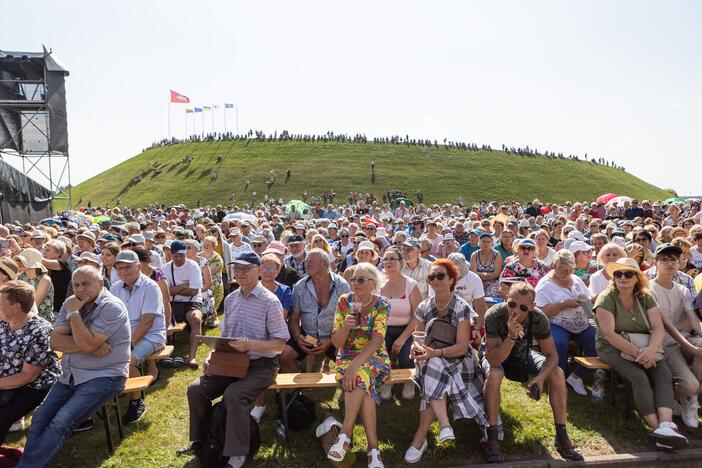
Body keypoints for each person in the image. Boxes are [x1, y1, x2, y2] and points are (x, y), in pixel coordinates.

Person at [183, 252, 289, 468]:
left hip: (262, 365)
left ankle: (237, 454)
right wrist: (212, 356)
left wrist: (251, 345)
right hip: (230, 362)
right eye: (237, 269)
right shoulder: (231, 300)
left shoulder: (270, 301)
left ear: (258, 271)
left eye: (245, 269)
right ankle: (202, 440)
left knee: (234, 394)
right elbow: (224, 338)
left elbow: (279, 345)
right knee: (196, 389)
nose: (239, 273)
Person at [18, 267, 130, 467]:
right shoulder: (71, 302)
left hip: (104, 376)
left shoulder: (111, 306)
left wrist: (73, 315)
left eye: (86, 284)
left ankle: (26, 465)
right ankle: (30, 461)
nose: (80, 289)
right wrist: (88, 346)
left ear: (101, 284)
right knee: (40, 417)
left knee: (61, 421)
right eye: (76, 285)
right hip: (70, 374)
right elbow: (54, 341)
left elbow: (81, 342)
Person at [480, 282, 583, 463]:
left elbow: (552, 356)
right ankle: (493, 438)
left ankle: (562, 436)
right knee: (495, 375)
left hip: (523, 353)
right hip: (496, 353)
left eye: (523, 307)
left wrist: (541, 378)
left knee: (557, 373)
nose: (516, 311)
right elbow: (494, 358)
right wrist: (511, 336)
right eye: (512, 304)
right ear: (506, 300)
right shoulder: (494, 315)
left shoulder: (538, 317)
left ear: (532, 307)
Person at [594, 258, 689, 450]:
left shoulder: (646, 296)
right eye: (618, 273)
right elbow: (608, 334)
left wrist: (651, 350)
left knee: (664, 375)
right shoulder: (606, 298)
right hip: (612, 348)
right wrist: (641, 355)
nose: (623, 277)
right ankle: (658, 430)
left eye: (628, 274)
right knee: (638, 377)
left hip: (646, 345)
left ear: (637, 277)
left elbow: (658, 327)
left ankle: (665, 425)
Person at [405, 259, 488, 464]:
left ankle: (422, 438)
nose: (434, 280)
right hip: (428, 358)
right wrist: (417, 348)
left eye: (440, 275)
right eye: (431, 276)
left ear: (451, 279)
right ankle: (443, 424)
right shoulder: (424, 306)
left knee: (434, 370)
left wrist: (435, 353)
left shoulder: (461, 306)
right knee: (433, 366)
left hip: (458, 359)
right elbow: (418, 337)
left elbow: (461, 346)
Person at [327, 263, 391, 467]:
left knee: (359, 374)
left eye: (361, 279)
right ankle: (374, 449)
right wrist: (345, 327)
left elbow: (376, 341)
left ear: (373, 283)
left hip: (375, 356)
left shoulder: (382, 304)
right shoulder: (344, 302)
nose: (355, 283)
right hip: (347, 355)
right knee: (364, 384)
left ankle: (345, 433)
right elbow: (337, 343)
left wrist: (354, 366)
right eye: (353, 279)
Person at [0, 281, 61, 447]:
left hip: (35, 385)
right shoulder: (3, 323)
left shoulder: (40, 330)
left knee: (3, 416)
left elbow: (28, 376)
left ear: (16, 307)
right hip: (7, 379)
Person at [110, 250, 167, 424]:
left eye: (127, 267)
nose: (123, 272)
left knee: (126, 360)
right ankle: (111, 392)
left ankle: (137, 401)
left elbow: (147, 322)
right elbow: (111, 317)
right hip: (126, 336)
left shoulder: (150, 286)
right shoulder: (115, 287)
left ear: (139, 266)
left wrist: (127, 346)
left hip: (152, 335)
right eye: (119, 268)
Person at [649, 244, 702, 428]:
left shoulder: (683, 289)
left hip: (683, 338)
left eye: (673, 259)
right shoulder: (649, 289)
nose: (670, 262)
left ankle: (692, 399)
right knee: (691, 384)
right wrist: (690, 346)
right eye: (664, 259)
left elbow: (693, 319)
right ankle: (688, 394)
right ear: (655, 263)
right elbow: (667, 326)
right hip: (664, 343)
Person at [535, 250, 597, 396]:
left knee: (598, 343)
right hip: (557, 324)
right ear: (555, 266)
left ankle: (576, 377)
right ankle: (558, 381)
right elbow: (540, 312)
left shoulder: (575, 279)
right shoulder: (545, 285)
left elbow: (587, 298)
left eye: (570, 270)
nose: (568, 274)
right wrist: (563, 304)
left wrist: (589, 301)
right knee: (559, 345)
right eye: (564, 271)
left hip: (581, 323)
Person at [280, 249, 350, 373]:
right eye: (306, 261)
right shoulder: (300, 286)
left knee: (347, 359)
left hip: (333, 336)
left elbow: (347, 318)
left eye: (311, 261)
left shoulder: (342, 285)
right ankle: (297, 391)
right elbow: (294, 318)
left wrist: (330, 341)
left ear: (324, 264)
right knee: (285, 355)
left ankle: (348, 388)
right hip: (308, 335)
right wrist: (297, 337)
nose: (307, 264)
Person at [250, 253, 293, 422]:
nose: (267, 272)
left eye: (272, 268)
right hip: (256, 334)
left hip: (277, 334)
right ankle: (260, 403)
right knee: (255, 357)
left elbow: (281, 317)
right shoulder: (253, 288)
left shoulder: (284, 290)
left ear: (278, 270)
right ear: (259, 270)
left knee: (284, 353)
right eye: (264, 268)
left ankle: (290, 395)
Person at [379, 247, 421, 401]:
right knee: (381, 354)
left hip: (407, 328)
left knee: (406, 357)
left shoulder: (411, 284)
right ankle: (386, 381)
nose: (388, 262)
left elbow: (418, 315)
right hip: (383, 328)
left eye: (392, 259)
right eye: (385, 259)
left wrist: (402, 338)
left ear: (401, 262)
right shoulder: (378, 284)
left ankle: (408, 381)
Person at [163, 240, 204, 369]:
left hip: (192, 302)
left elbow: (194, 291)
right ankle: (164, 354)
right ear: (171, 255)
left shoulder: (193, 266)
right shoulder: (165, 268)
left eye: (182, 255)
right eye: (176, 256)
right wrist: (183, 286)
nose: (179, 258)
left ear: (186, 253)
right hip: (172, 302)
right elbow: (165, 291)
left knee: (196, 319)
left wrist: (174, 289)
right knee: (160, 318)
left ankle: (192, 357)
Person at [14, 248, 55, 322]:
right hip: (21, 317)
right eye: (19, 260)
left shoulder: (44, 280)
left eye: (23, 261)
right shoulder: (20, 276)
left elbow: (34, 305)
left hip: (40, 320)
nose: (19, 263)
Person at [41, 240, 72, 316]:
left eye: (48, 250)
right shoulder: (45, 268)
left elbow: (42, 261)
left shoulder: (63, 265)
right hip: (45, 308)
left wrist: (22, 251)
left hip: (58, 310)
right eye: (44, 250)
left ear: (58, 253)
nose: (44, 252)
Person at [471, 232, 502, 298]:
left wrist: (485, 276)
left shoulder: (497, 254)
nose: (486, 244)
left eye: (488, 242)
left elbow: (497, 273)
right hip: (477, 281)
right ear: (479, 242)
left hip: (493, 282)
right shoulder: (474, 255)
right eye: (483, 241)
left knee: (490, 294)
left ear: (491, 243)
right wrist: (484, 276)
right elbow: (473, 272)